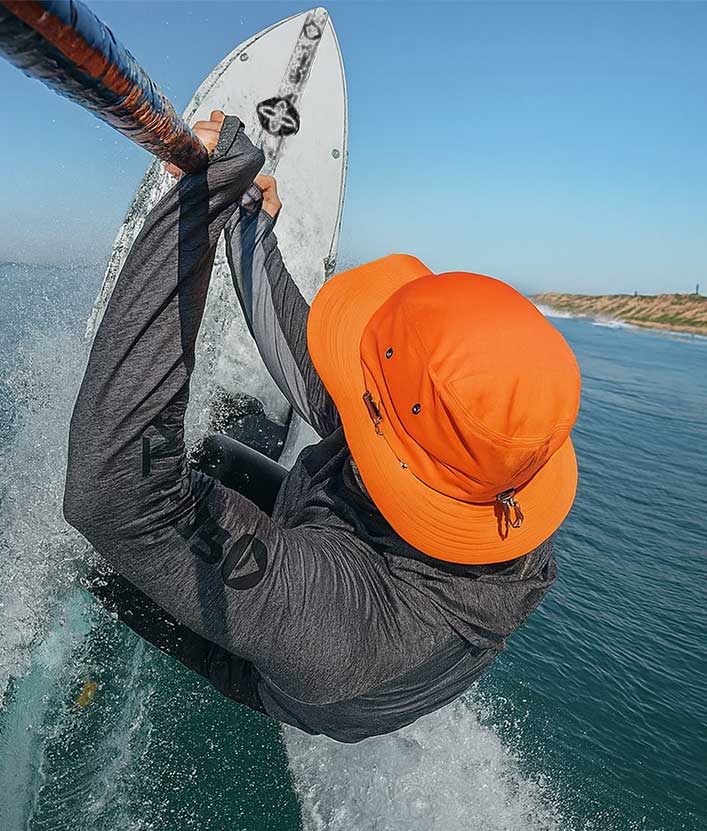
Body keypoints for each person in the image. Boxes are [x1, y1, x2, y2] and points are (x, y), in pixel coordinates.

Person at [64, 111, 581, 743]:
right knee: (213, 457)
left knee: (108, 567)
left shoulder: (340, 625)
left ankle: (92, 593)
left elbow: (112, 492)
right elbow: (313, 370)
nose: (350, 377)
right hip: (351, 581)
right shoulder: (486, 456)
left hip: (310, 679)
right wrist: (247, 222)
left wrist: (195, 211)